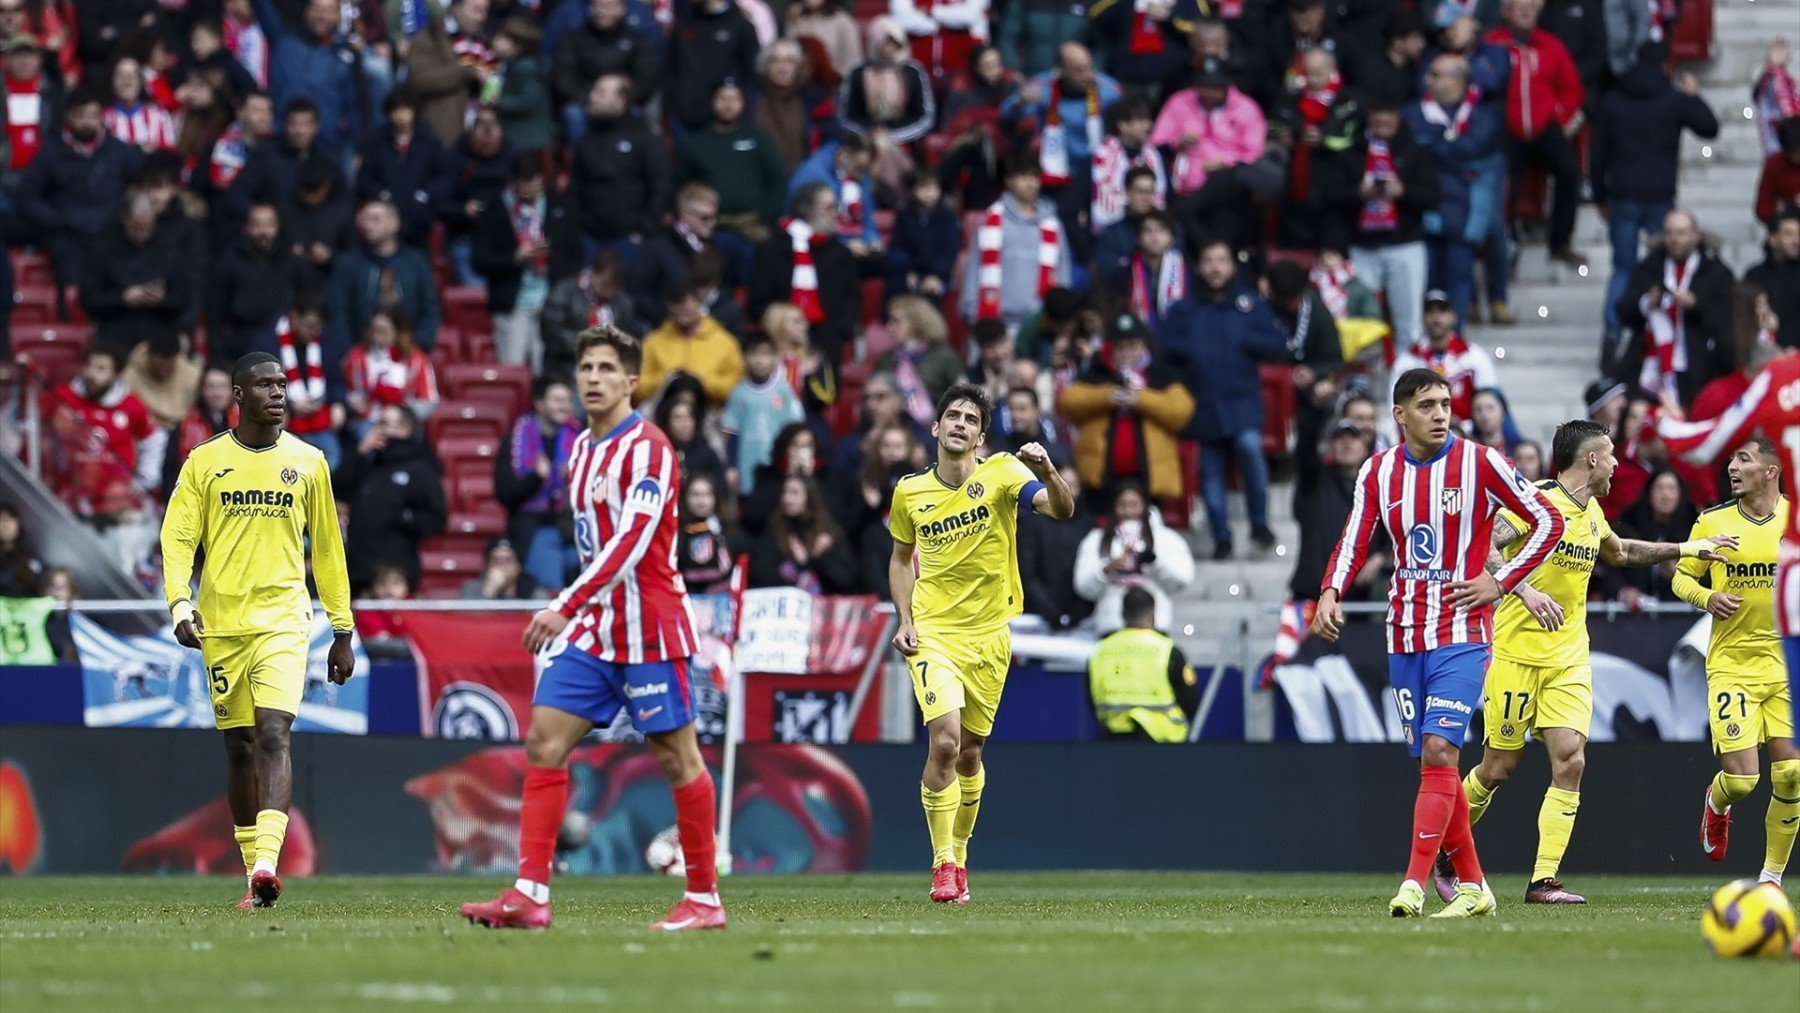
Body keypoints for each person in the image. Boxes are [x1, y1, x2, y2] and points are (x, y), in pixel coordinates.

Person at [460, 326, 727, 932]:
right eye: (585, 367)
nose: (594, 378)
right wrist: (582, 607)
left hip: (650, 625)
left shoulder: (651, 447)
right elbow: (593, 546)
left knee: (677, 758)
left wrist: (565, 604)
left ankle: (705, 899)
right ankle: (530, 893)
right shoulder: (580, 449)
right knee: (544, 741)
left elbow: (633, 541)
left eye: (607, 368)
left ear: (631, 381)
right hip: (599, 625)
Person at [1311, 367, 1567, 918]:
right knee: (1436, 766)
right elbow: (1354, 539)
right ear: (1399, 415)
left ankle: (1413, 884)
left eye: (1446, 403)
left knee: (1440, 751)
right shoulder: (1378, 472)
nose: (1440, 413)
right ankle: (1475, 888)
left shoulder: (1481, 462)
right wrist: (1331, 591)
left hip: (1463, 631)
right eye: (1426, 405)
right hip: (1404, 631)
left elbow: (1548, 522)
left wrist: (1499, 581)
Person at [1450, 419, 1736, 906]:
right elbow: (1485, 552)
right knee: (1497, 768)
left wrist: (1689, 548)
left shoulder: (1593, 511)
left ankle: (1543, 881)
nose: (1618, 464)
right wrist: (1526, 588)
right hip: (1517, 656)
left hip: (1569, 659)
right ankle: (1443, 847)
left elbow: (1621, 551)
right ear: (1590, 460)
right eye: (1611, 455)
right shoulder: (1533, 500)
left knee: (1572, 760)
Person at [160, 350, 355, 910]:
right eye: (265, 385)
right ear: (237, 397)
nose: (278, 393)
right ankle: (255, 877)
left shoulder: (309, 462)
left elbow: (329, 551)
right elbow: (177, 540)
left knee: (274, 734)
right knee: (241, 748)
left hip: (285, 621)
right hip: (221, 626)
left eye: (283, 384)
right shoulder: (204, 462)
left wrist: (341, 628)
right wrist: (180, 604)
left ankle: (269, 863)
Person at [888, 381, 1075, 903]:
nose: (960, 424)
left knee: (970, 754)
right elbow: (901, 559)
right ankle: (942, 863)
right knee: (943, 741)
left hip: (990, 635)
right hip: (933, 634)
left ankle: (962, 854)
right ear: (935, 426)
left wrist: (1048, 471)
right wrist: (905, 618)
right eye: (953, 415)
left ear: (980, 437)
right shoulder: (909, 491)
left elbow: (1061, 511)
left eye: (971, 420)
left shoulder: (1003, 475)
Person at [1667, 436, 1798, 885]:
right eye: (1731, 458)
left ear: (1771, 470)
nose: (1731, 467)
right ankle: (1717, 802)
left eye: (1743, 458)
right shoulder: (1713, 521)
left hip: (1785, 666)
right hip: (1732, 666)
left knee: (1792, 776)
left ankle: (1771, 879)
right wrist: (1707, 596)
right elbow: (1680, 579)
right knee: (1743, 782)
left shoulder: (1793, 519)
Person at [1160, 239, 1287, 558]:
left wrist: (1245, 339)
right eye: (1208, 260)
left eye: (1222, 260)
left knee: (1249, 448)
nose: (1215, 267)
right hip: (1201, 403)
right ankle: (1221, 537)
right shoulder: (1184, 310)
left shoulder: (1250, 303)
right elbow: (1163, 349)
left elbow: (1278, 344)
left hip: (1242, 401)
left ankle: (1259, 523)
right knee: (1211, 474)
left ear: (1232, 265)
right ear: (1199, 267)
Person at [1592, 46, 1719, 334]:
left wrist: (1600, 195)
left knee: (1623, 269)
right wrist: (1694, 96)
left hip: (1622, 194)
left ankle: (1615, 333)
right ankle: (1658, 330)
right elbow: (1710, 128)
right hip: (1660, 196)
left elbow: (1597, 153)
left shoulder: (1612, 100)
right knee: (1662, 266)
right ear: (1665, 65)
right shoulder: (1673, 99)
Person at [1322, 95, 1436, 352]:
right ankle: (1366, 380)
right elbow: (1329, 196)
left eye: (1388, 124)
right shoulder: (1352, 154)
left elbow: (1432, 196)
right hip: (1362, 247)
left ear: (1397, 121)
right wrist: (1358, 193)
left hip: (1405, 245)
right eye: (1377, 124)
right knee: (1361, 319)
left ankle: (1410, 383)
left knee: (1409, 325)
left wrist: (1403, 191)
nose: (1382, 129)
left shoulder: (1415, 152)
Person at [1486, 0, 1587, 269]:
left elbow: (1572, 88)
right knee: (1506, 184)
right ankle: (1508, 242)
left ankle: (1561, 241)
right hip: (1506, 131)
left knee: (1569, 172)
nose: (1527, 11)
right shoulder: (1492, 44)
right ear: (1505, 11)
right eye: (1520, 6)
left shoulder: (1551, 45)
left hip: (1545, 127)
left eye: (1531, 6)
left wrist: (1560, 115)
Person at [1058, 313, 1194, 512]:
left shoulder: (1159, 373)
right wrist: (1106, 396)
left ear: (1143, 346)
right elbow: (1069, 403)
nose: (1127, 353)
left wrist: (1141, 399)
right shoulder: (1099, 371)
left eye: (1132, 346)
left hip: (1149, 477)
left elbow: (1181, 411)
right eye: (1121, 348)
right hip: (1102, 478)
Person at [1405, 54, 1505, 325]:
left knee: (1458, 282)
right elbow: (1413, 152)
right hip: (1425, 212)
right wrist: (1449, 151)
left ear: (1458, 80)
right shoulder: (1413, 113)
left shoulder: (1484, 116)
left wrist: (1433, 145)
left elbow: (1471, 150)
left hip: (1464, 214)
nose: (1428, 79)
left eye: (1436, 74)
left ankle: (1454, 342)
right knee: (1426, 284)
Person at [1614, 209, 1737, 408]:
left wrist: (1696, 305)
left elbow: (1728, 317)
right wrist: (1645, 302)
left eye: (1681, 233)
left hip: (1699, 365)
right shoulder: (1649, 268)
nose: (1674, 239)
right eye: (1669, 233)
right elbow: (1623, 311)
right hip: (1653, 366)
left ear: (1696, 236)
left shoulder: (1717, 272)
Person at [1148, 56, 1267, 255]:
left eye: (1216, 87)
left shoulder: (1246, 108)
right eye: (1205, 86)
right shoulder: (1179, 102)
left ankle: (1211, 250)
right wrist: (1178, 142)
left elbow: (1254, 152)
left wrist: (1225, 162)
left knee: (1195, 208)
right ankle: (1210, 250)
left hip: (1226, 186)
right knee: (1183, 211)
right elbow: (1157, 141)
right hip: (1183, 185)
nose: (1210, 92)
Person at [472, 155, 573, 371]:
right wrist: (515, 257)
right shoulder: (495, 210)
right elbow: (479, 260)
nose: (532, 193)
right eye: (525, 187)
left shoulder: (558, 206)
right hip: (513, 303)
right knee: (512, 369)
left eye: (536, 186)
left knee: (547, 373)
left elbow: (574, 254)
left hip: (550, 302)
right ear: (514, 184)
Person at [334, 403, 449, 591]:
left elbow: (437, 518)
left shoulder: (420, 469)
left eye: (384, 423)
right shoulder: (368, 464)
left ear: (404, 429)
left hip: (396, 575)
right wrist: (360, 452)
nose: (378, 429)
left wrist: (403, 518)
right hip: (358, 573)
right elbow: (334, 487)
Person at [961, 150, 1074, 328]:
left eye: (1034, 177)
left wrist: (1064, 310)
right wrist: (970, 309)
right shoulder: (990, 221)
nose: (1030, 184)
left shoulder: (1052, 224)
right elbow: (975, 265)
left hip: (1039, 322)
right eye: (1023, 177)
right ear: (1009, 181)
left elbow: (1063, 271)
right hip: (995, 320)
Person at [749, 181, 860, 362]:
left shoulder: (841, 254)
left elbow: (852, 297)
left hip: (827, 343)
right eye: (829, 208)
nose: (836, 214)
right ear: (807, 211)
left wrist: (840, 331)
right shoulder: (772, 249)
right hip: (779, 344)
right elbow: (759, 301)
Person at [1072, 480, 1194, 634]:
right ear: (1113, 507)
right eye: (1122, 505)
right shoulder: (1096, 539)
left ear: (1145, 506)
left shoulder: (1166, 539)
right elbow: (1082, 587)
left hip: (1155, 626)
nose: (1128, 511)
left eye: (1134, 504)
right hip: (1112, 625)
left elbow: (1183, 579)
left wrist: (1154, 562)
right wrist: (1107, 569)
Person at [674, 81, 787, 245]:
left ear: (743, 102)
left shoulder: (758, 139)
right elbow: (678, 185)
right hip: (710, 230)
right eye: (723, 98)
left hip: (753, 229)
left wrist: (766, 220)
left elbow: (777, 181)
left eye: (734, 98)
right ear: (712, 101)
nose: (728, 104)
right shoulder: (695, 143)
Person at [496, 378, 581, 590]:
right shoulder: (515, 439)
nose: (565, 406)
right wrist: (535, 478)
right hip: (534, 530)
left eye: (568, 401)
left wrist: (576, 478)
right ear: (539, 403)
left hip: (573, 529)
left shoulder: (582, 441)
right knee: (549, 582)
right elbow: (504, 494)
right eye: (557, 400)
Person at [569, 73, 666, 257]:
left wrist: (644, 231)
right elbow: (575, 186)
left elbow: (660, 186)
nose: (592, 97)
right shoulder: (587, 138)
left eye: (601, 92)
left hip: (630, 239)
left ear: (621, 101)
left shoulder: (642, 137)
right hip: (590, 237)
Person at [327, 200, 441, 353]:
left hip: (409, 351)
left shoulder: (415, 262)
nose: (367, 225)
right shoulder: (348, 263)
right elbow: (338, 310)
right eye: (365, 219)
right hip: (361, 352)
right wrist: (349, 351)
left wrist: (418, 345)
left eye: (375, 219)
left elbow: (430, 307)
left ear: (394, 224)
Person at [1087, 587, 1198, 742]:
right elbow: (1191, 702)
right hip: (1163, 746)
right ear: (1153, 615)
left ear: (1123, 615)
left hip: (1112, 744)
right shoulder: (1168, 650)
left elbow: (1091, 699)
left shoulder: (1100, 651)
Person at [355, 87, 455, 250]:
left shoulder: (429, 141)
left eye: (406, 110)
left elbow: (444, 178)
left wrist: (424, 195)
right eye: (396, 110)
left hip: (419, 219)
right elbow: (364, 178)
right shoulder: (377, 141)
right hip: (385, 219)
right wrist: (382, 194)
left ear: (415, 111)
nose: (401, 116)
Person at [209, 202, 305, 363]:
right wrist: (219, 350)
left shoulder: (291, 261)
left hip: (283, 344)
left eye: (269, 224)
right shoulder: (230, 262)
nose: (264, 232)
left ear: (278, 227)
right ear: (247, 228)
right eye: (257, 225)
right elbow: (215, 310)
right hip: (240, 343)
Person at [1390, 291, 1498, 427]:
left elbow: (1491, 401)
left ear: (1453, 316)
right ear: (1422, 318)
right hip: (1421, 437)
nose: (1436, 318)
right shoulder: (1407, 362)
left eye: (1442, 311)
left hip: (1467, 436)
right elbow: (1394, 408)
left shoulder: (1474, 357)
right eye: (1430, 312)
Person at [640, 283, 746, 408]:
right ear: (670, 308)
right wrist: (666, 380)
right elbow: (637, 386)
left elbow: (738, 388)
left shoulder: (725, 342)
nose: (682, 318)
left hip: (711, 415)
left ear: (699, 304)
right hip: (663, 413)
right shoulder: (653, 342)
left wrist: (704, 382)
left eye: (687, 311)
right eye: (677, 312)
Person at [544, 248, 643, 380]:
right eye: (605, 284)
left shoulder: (622, 302)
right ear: (592, 273)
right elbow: (551, 332)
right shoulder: (565, 292)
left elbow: (630, 336)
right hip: (567, 365)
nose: (609, 292)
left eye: (614, 286)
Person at [750, 474, 858, 592]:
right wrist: (796, 566)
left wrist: (820, 558)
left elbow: (847, 579)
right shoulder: (775, 531)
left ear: (809, 497)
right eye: (784, 492)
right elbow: (760, 575)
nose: (787, 498)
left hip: (823, 605)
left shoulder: (827, 533)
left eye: (794, 493)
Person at [343, 309, 439, 435]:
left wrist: (401, 415)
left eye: (383, 332)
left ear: (398, 332)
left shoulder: (416, 359)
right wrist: (355, 403)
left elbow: (428, 400)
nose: (376, 337)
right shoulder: (356, 357)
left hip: (403, 424)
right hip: (368, 422)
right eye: (373, 330)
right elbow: (348, 392)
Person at [885, 169, 961, 302]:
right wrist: (908, 271)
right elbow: (897, 245)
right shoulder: (904, 215)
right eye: (923, 188)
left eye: (933, 188)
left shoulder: (948, 217)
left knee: (932, 292)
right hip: (911, 272)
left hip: (939, 274)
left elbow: (950, 250)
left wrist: (936, 275)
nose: (929, 193)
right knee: (896, 283)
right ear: (913, 190)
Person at [678, 472, 748, 594]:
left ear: (716, 498)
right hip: (686, 602)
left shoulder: (729, 531)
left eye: (707, 494)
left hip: (724, 603)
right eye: (695, 494)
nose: (701, 500)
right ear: (685, 498)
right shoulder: (677, 533)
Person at [460, 539, 542, 600]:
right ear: (486, 566)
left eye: (508, 560)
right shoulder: (472, 589)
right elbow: (469, 620)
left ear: (518, 566)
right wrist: (489, 591)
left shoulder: (533, 592)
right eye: (496, 561)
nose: (502, 566)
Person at [1755, 116, 1800, 228]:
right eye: (1793, 152)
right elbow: (1763, 209)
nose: (1796, 157)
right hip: (1788, 225)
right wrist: (1788, 207)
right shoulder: (1775, 165)